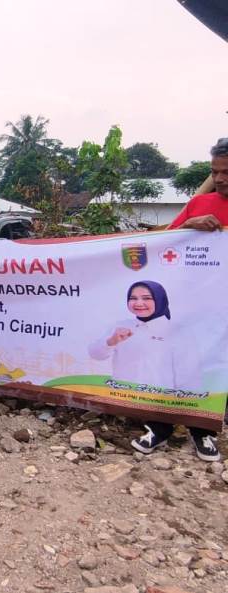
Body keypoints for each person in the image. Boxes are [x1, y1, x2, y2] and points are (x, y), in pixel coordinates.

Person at [124, 137, 228, 461]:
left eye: (227, 172)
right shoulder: (199, 204)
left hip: (220, 310)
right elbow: (166, 242)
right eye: (216, 172)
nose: (221, 178)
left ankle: (203, 431)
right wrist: (189, 225)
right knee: (169, 363)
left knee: (211, 367)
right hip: (187, 304)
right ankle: (160, 427)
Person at [166, 137, 228, 231]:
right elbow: (165, 241)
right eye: (214, 172)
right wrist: (187, 225)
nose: (218, 179)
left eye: (226, 173)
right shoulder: (196, 203)